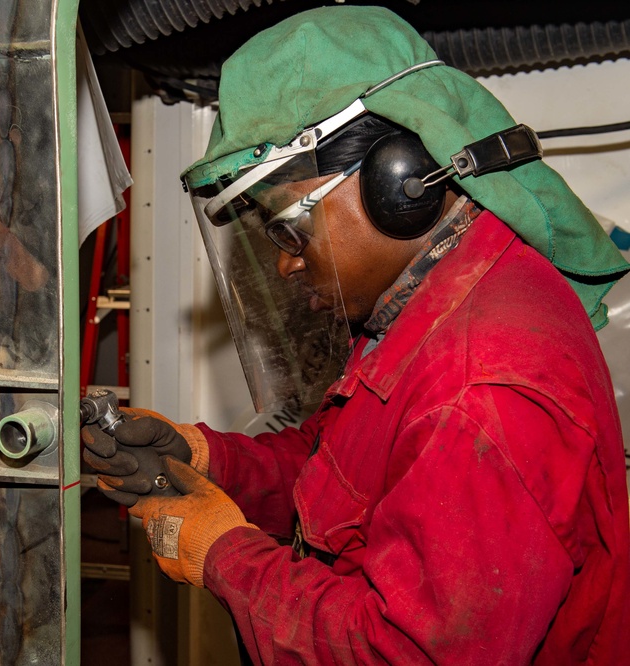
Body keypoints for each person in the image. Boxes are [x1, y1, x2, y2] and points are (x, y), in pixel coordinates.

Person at [81, 6, 630, 664]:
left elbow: (401, 653)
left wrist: (224, 553)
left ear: (399, 184)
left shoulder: (481, 389)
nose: (285, 262)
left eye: (287, 227)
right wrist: (205, 459)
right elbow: (343, 473)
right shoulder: (435, 300)